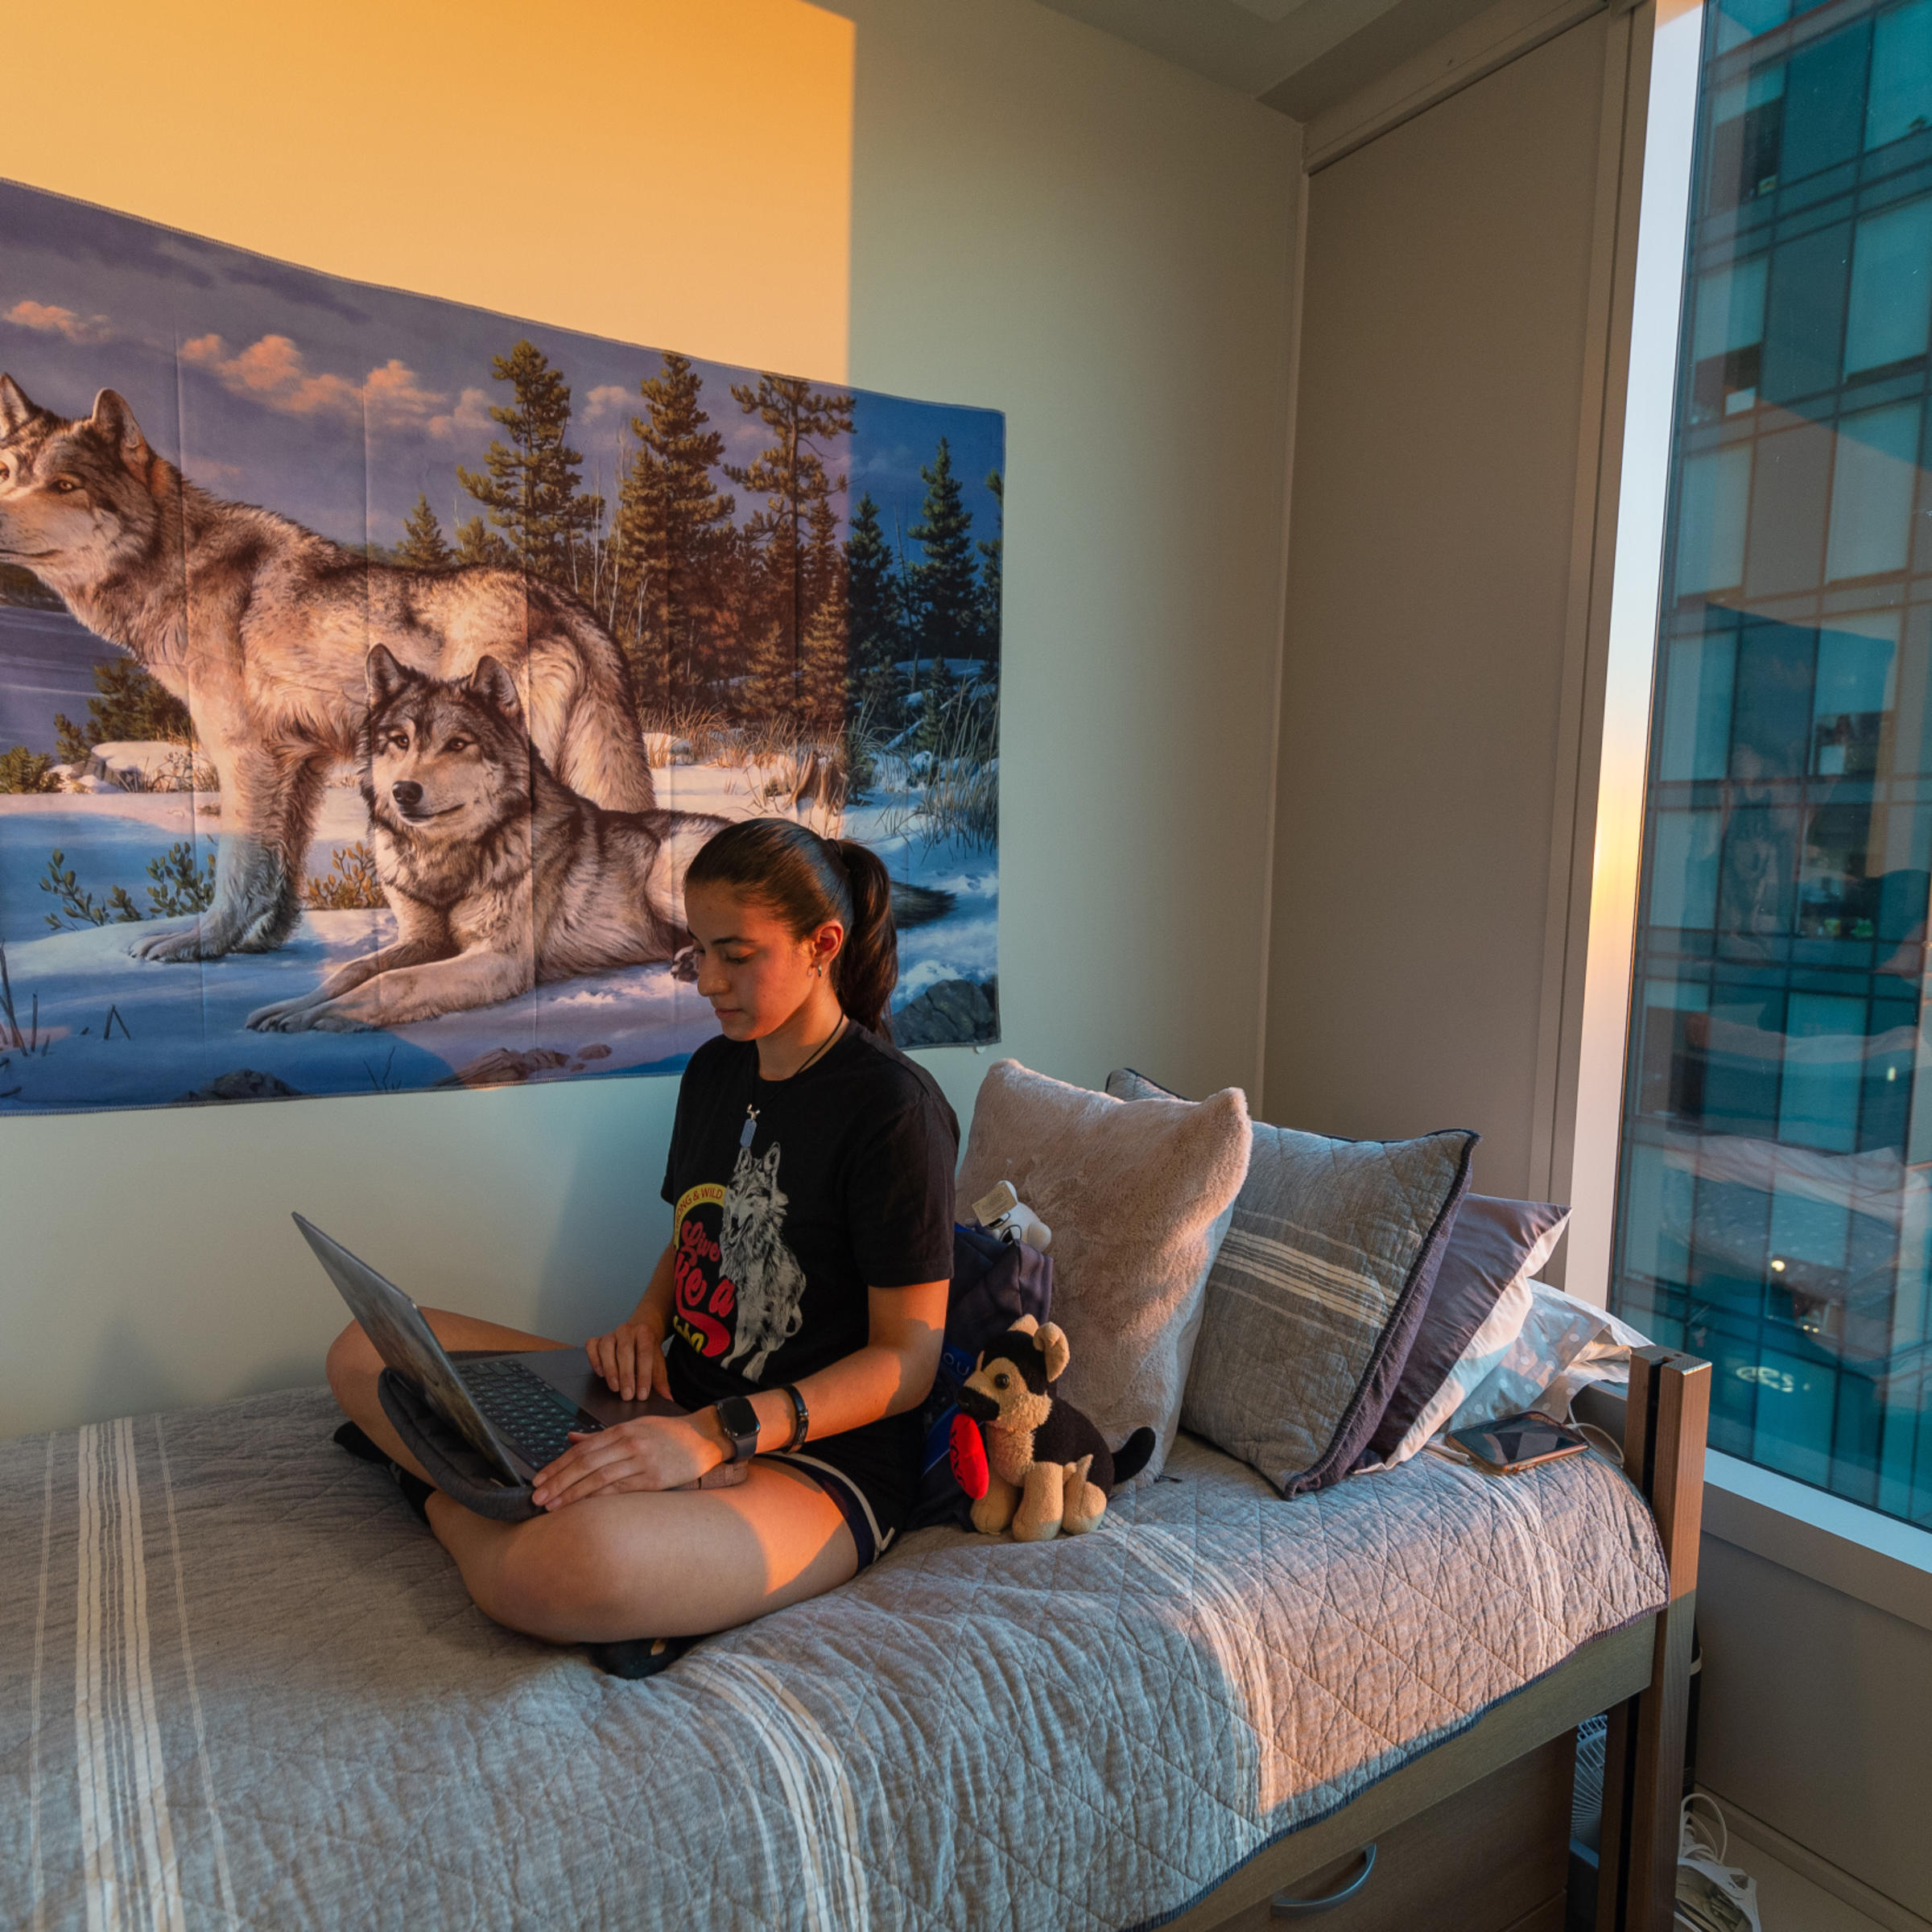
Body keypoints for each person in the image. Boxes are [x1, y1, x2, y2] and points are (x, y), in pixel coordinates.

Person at [323, 818, 958, 1660]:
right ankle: (501, 1487)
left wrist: (714, 1435)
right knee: (364, 1349)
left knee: (558, 1570)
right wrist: (642, 1322)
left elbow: (906, 1364)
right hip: (674, 1400)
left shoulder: (894, 1111)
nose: (708, 983)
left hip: (811, 1458)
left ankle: (443, 1490)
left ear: (822, 945)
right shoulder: (716, 1070)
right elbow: (695, 1231)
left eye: (737, 954)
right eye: (698, 951)